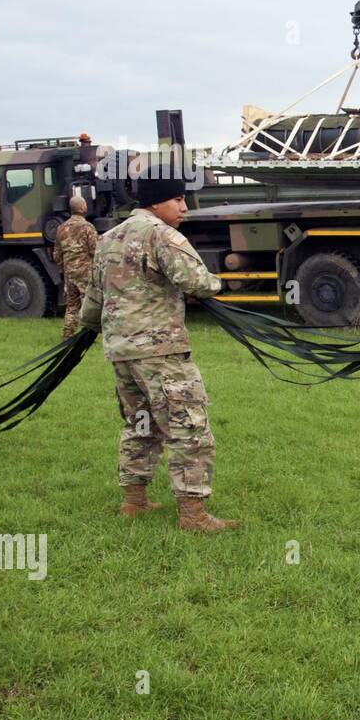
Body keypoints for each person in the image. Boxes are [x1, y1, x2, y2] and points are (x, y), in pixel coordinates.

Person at [78, 178, 236, 532]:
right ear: (155, 203)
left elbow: (92, 301)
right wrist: (219, 283)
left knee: (140, 424)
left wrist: (88, 327)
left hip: (121, 353)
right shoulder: (161, 235)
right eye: (178, 200)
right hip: (160, 352)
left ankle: (134, 501)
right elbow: (196, 282)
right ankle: (193, 515)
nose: (184, 208)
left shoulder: (108, 239)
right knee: (188, 427)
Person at [52, 196, 98, 340]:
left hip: (69, 274)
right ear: (82, 208)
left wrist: (63, 268)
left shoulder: (61, 228)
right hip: (85, 273)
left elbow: (57, 254)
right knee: (88, 304)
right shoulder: (87, 227)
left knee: (72, 305)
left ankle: (67, 335)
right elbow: (95, 251)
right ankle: (87, 336)